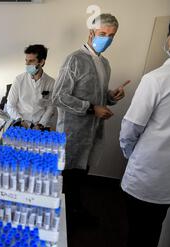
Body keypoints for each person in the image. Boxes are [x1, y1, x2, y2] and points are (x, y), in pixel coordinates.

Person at [103, 24, 170, 247]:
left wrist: (130, 154)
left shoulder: (157, 79)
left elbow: (130, 128)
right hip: (165, 180)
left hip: (148, 174)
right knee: (153, 229)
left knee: (139, 230)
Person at [52, 13, 130, 223]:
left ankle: (75, 212)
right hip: (72, 132)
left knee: (80, 176)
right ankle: (61, 221)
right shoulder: (75, 60)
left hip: (92, 132)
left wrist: (111, 96)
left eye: (112, 35)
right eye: (103, 33)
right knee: (67, 179)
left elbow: (97, 96)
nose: (107, 39)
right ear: (91, 33)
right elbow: (58, 96)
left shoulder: (105, 64)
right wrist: (91, 109)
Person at [5, 45, 56, 130]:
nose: (27, 64)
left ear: (42, 62)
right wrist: (19, 120)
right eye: (26, 61)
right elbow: (10, 105)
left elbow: (50, 108)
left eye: (31, 61)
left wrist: (41, 124)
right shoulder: (19, 79)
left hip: (40, 125)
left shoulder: (51, 82)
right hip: (20, 122)